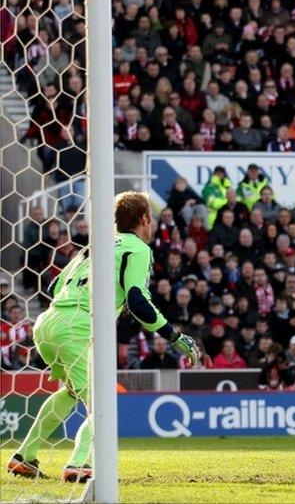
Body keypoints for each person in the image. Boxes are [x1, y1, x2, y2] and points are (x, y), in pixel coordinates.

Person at [8, 192, 199, 482]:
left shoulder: (92, 245)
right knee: (103, 403)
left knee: (71, 392)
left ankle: (25, 456)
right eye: (152, 218)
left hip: (48, 322)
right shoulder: (137, 248)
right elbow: (137, 300)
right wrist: (172, 335)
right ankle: (79, 463)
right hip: (77, 326)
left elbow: (56, 283)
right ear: (145, 218)